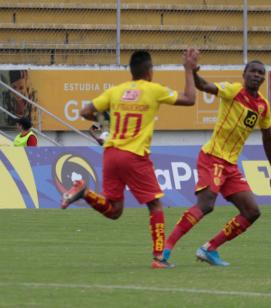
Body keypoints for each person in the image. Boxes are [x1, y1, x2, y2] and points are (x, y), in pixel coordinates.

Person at [60, 49, 200, 269]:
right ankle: (159, 258)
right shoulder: (153, 90)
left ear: (131, 70)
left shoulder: (116, 91)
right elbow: (190, 99)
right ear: (149, 70)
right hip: (134, 155)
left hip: (111, 154)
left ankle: (84, 191)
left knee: (114, 210)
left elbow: (85, 112)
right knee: (155, 205)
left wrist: (106, 126)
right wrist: (188, 69)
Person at [161, 60, 271, 266]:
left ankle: (209, 249)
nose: (257, 75)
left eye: (261, 73)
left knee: (252, 212)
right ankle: (165, 250)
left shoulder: (263, 105)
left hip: (231, 166)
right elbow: (204, 86)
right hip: (213, 157)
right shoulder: (233, 91)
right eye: (253, 71)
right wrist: (193, 72)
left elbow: (268, 137)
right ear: (244, 74)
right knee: (206, 204)